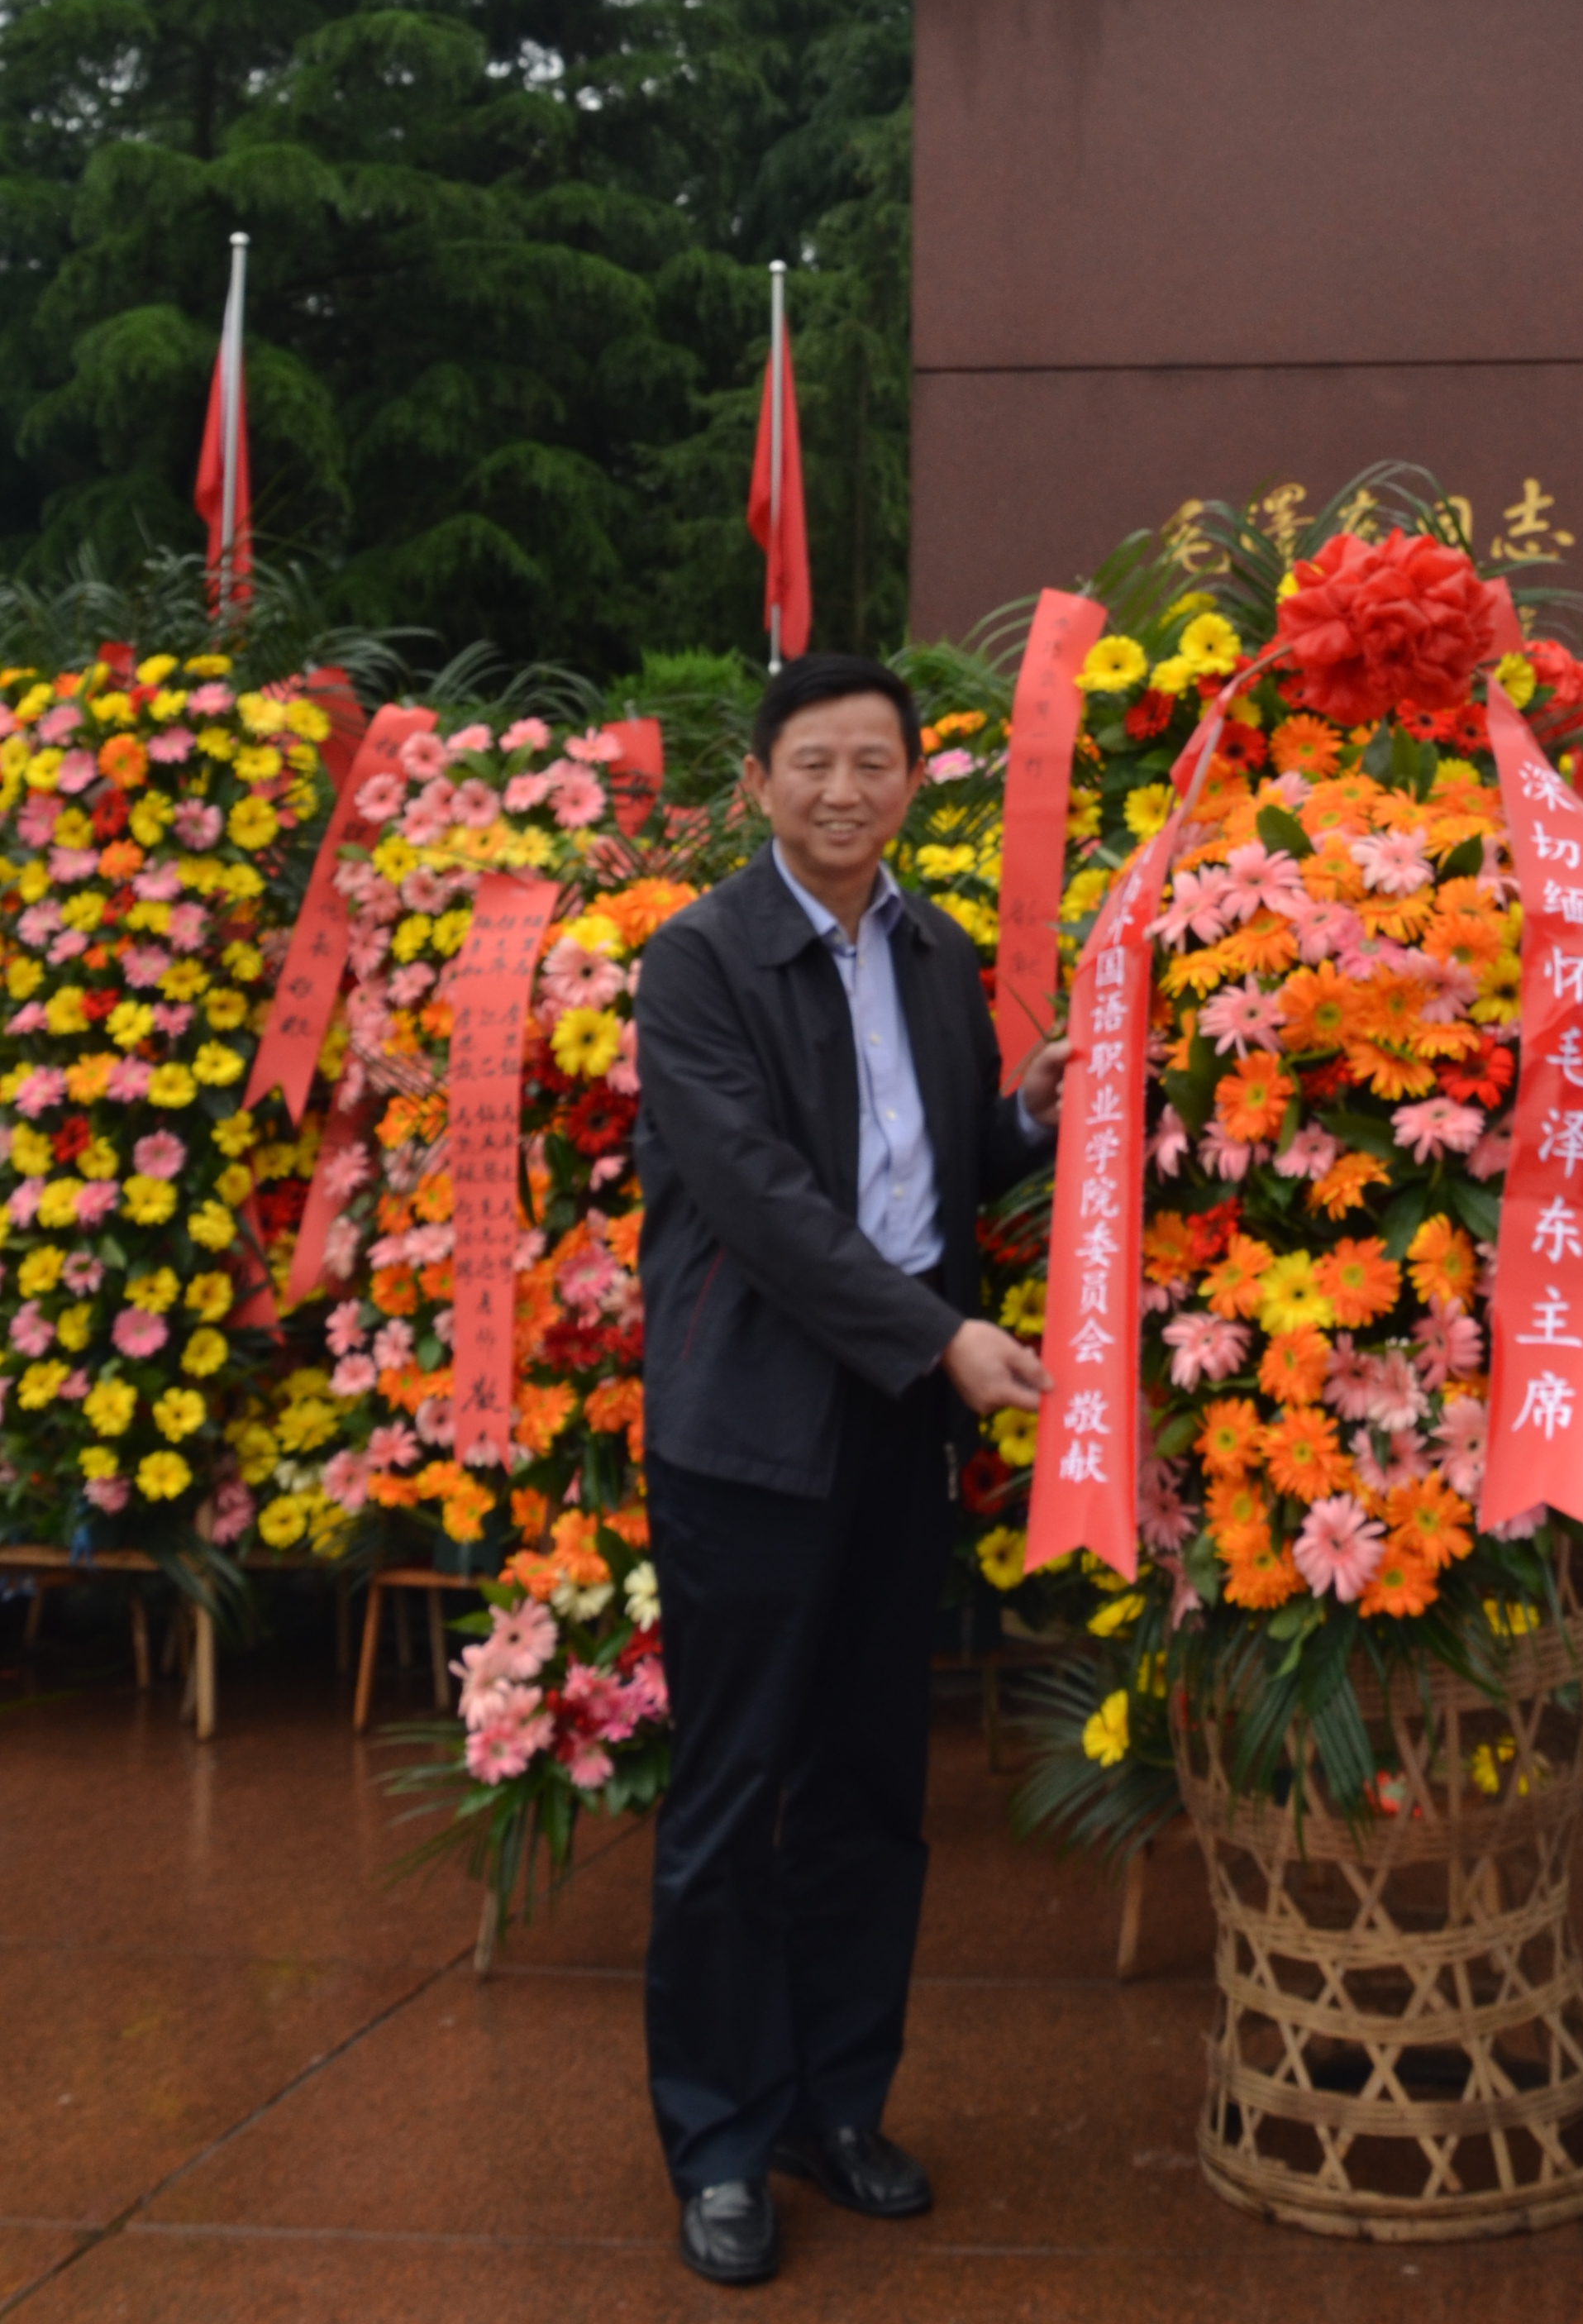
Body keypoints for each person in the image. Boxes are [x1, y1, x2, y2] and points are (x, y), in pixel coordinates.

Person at [632, 651, 1065, 2288]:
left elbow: (940, 1166)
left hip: (897, 1427)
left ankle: (836, 2101)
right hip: (755, 1429)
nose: (842, 791)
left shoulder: (934, 947)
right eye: (812, 763)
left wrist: (1029, 1111)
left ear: (910, 782)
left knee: (878, 1788)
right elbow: (767, 1207)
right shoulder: (701, 961)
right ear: (759, 784)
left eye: (872, 763)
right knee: (738, 1791)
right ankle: (724, 2141)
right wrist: (943, 1337)